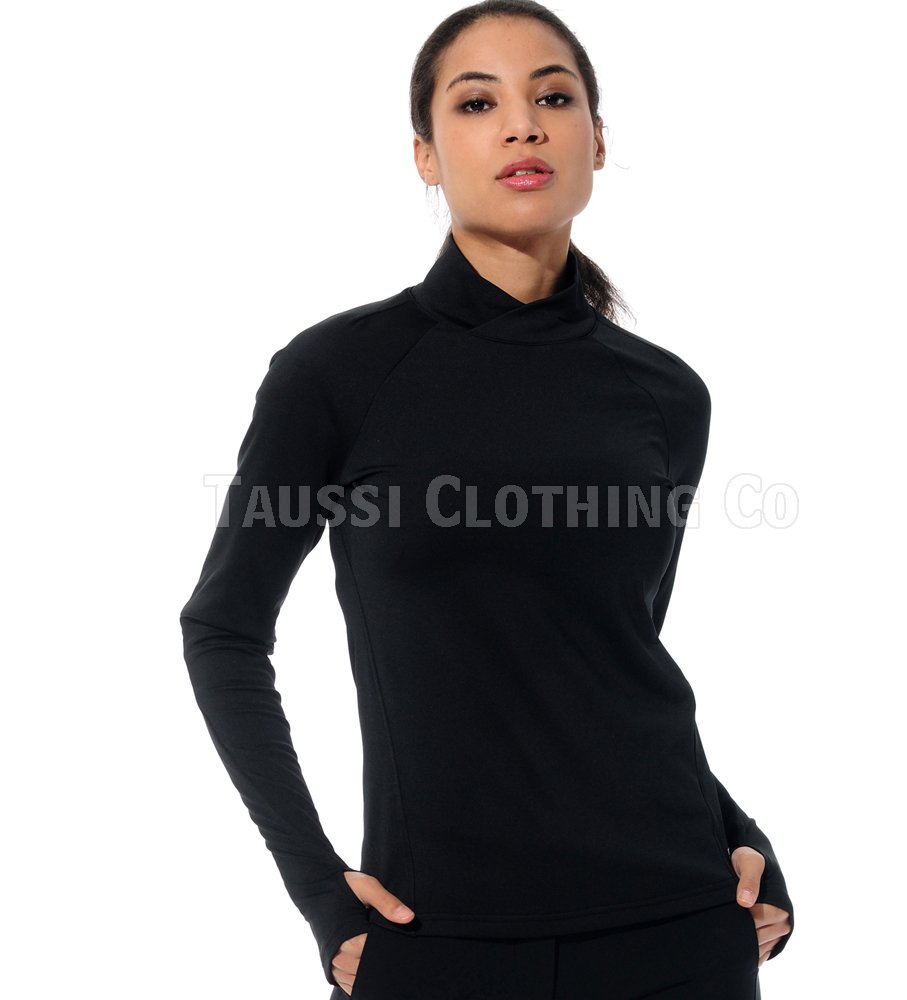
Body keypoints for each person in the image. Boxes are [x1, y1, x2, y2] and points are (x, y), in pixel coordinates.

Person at [178, 2, 795, 997]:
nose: (521, 126)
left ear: (597, 141)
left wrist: (737, 830)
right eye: (477, 104)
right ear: (425, 155)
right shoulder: (337, 374)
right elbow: (223, 631)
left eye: (553, 98)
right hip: (435, 936)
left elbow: (603, 660)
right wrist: (322, 892)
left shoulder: (667, 396)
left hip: (678, 922)